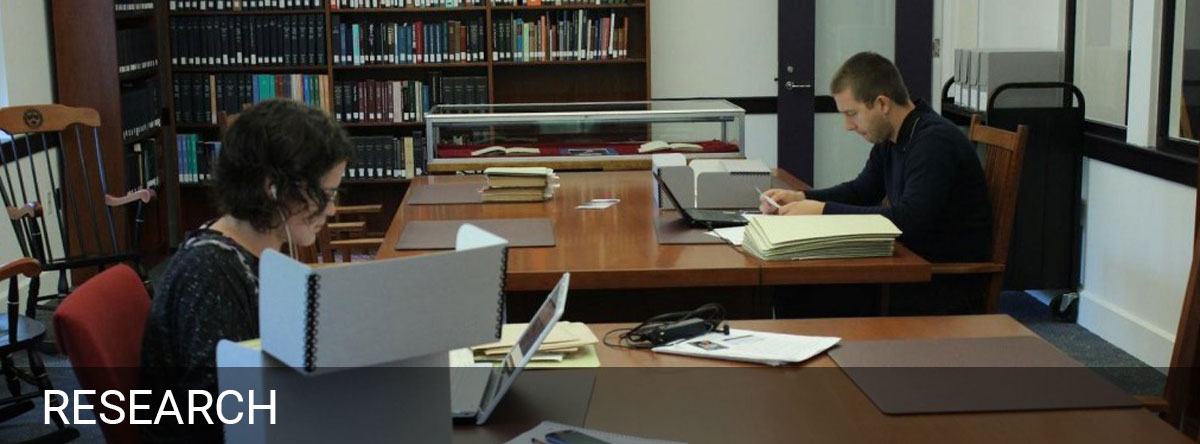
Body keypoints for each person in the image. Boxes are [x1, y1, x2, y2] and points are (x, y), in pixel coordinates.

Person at [140, 99, 350, 442]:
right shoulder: (209, 274)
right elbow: (216, 418)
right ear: (274, 189)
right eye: (325, 194)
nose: (332, 209)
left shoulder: (257, 254)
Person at [761, 52, 993, 314]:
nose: (848, 126)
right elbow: (862, 191)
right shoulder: (894, 137)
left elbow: (911, 219)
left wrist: (822, 211)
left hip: (940, 280)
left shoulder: (933, 142)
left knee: (798, 288)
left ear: (882, 103)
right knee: (792, 283)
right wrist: (803, 198)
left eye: (852, 114)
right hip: (906, 264)